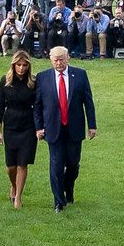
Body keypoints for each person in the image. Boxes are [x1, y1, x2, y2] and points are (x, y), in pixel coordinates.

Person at [32, 45, 96, 212]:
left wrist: (92, 125)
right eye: (55, 60)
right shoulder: (43, 77)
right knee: (56, 164)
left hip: (74, 127)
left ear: (68, 58)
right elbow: (37, 106)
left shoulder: (80, 75)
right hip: (53, 128)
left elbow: (88, 102)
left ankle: (69, 187)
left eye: (61, 59)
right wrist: (38, 127)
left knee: (73, 164)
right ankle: (58, 201)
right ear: (50, 60)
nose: (58, 63)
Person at [0, 51, 39, 209]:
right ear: (13, 65)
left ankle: (18, 196)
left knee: (22, 163)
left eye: (24, 65)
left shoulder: (33, 82)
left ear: (29, 66)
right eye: (18, 65)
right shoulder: (5, 81)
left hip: (28, 125)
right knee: (10, 166)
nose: (21, 68)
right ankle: (13, 186)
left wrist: (40, 127)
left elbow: (38, 106)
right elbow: (0, 107)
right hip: (11, 124)